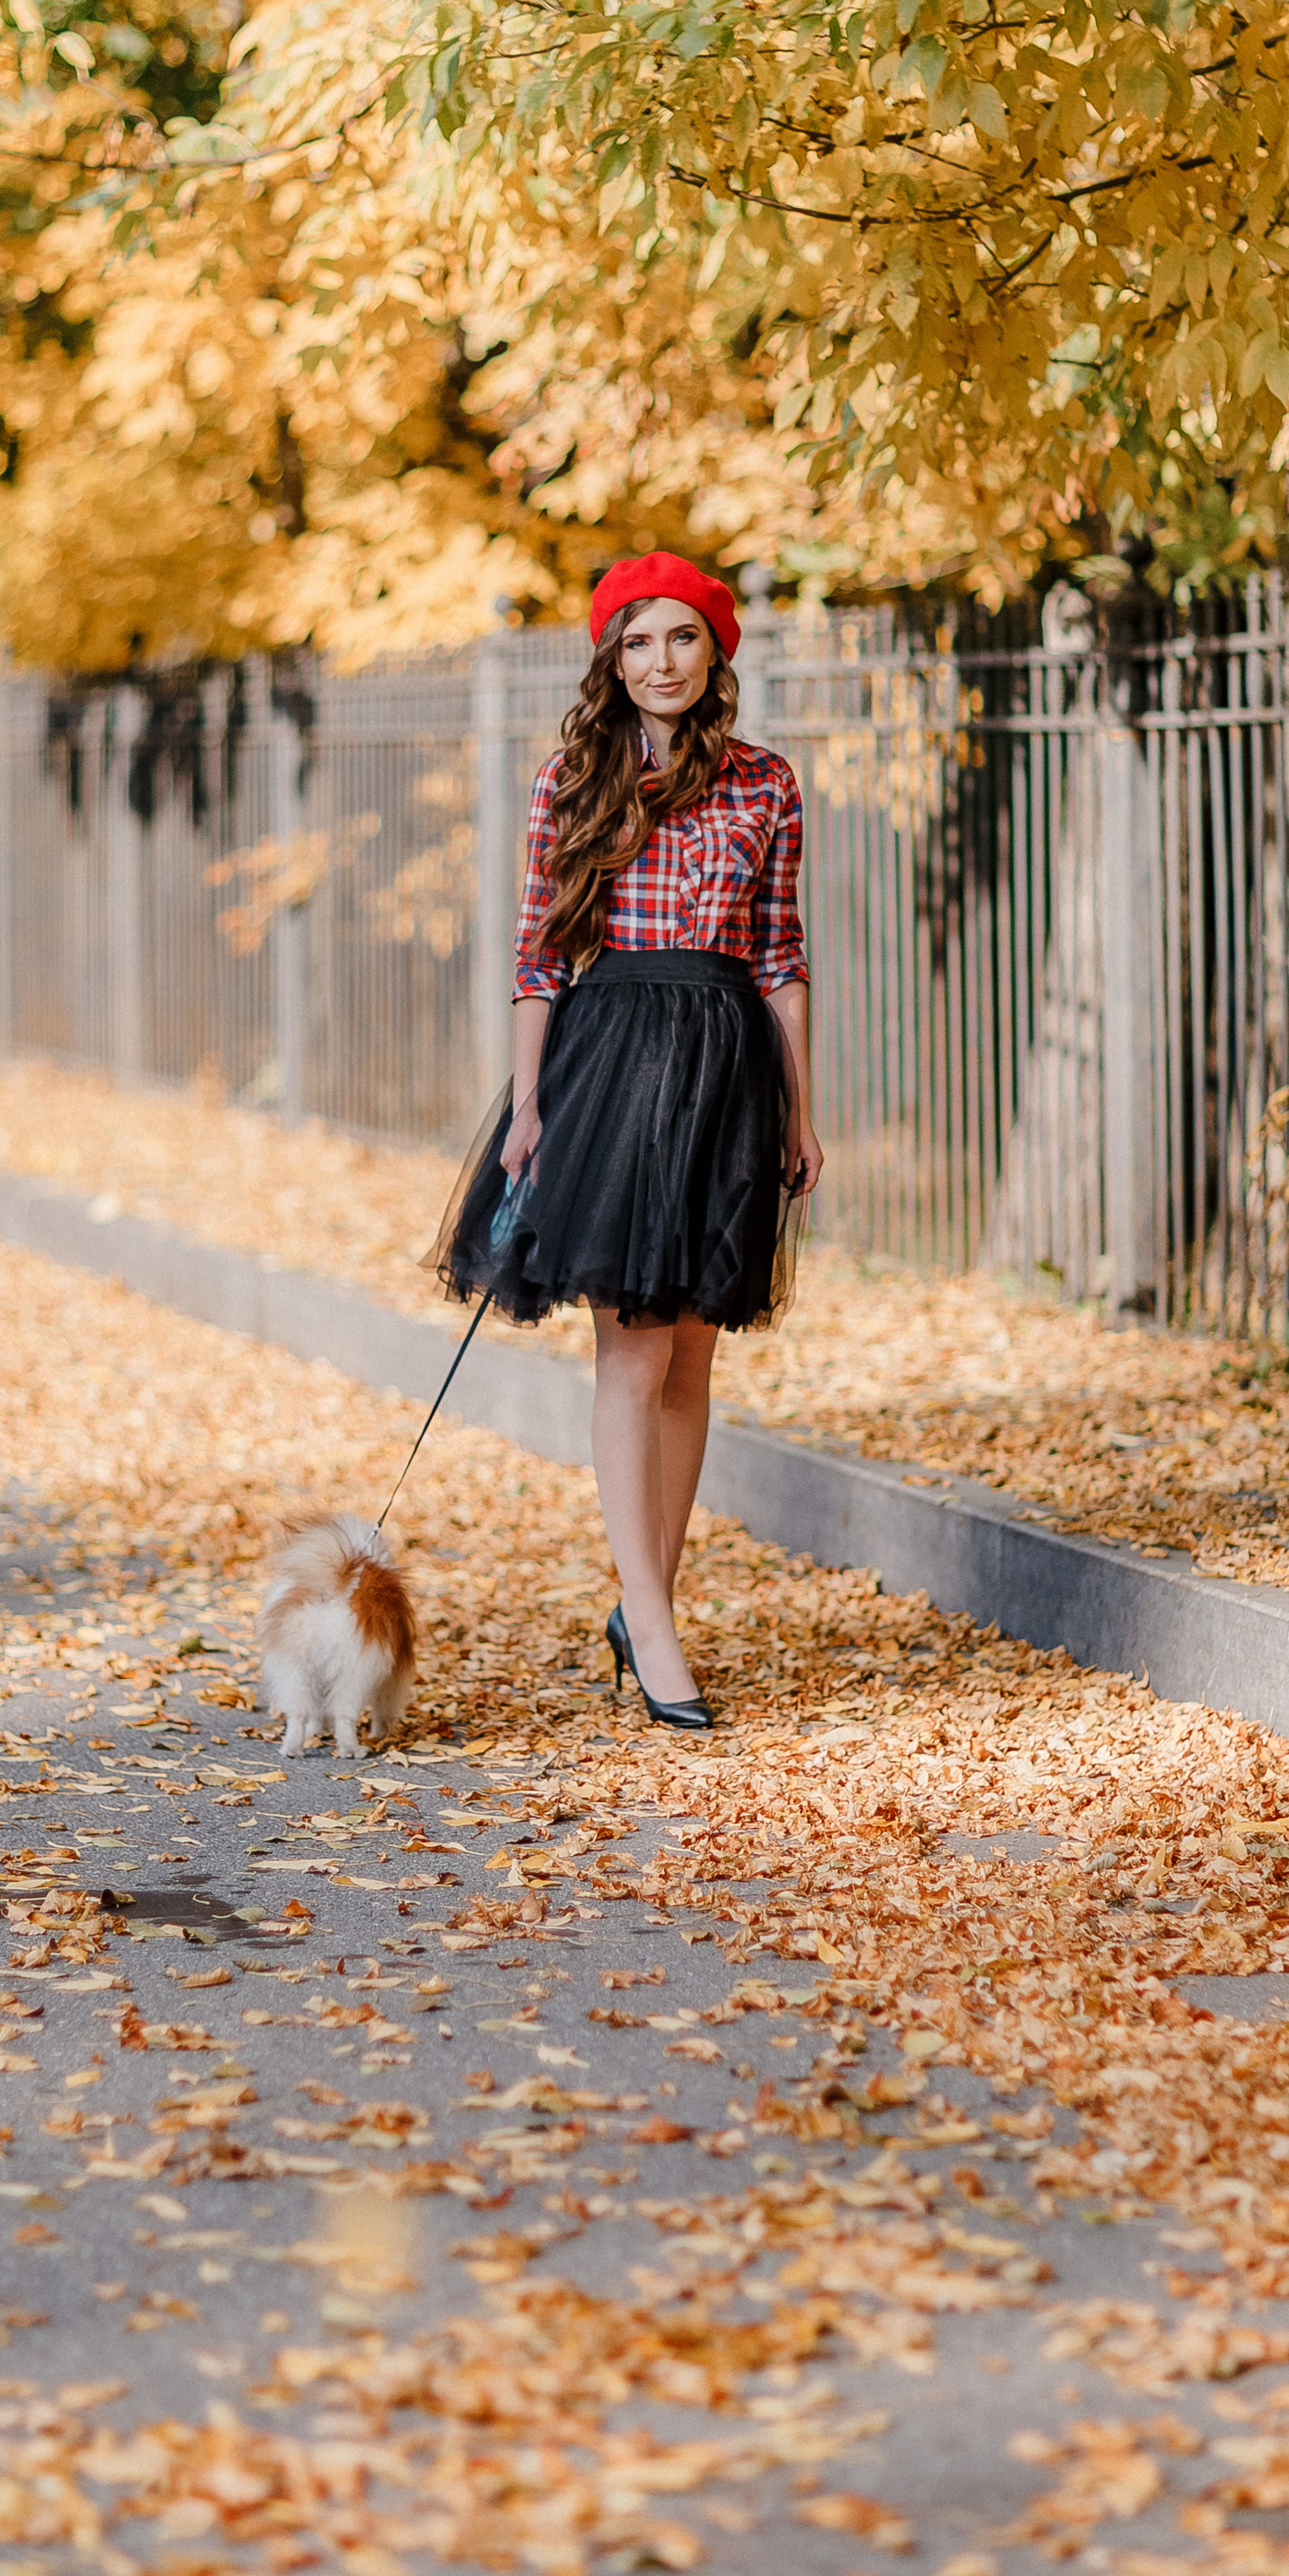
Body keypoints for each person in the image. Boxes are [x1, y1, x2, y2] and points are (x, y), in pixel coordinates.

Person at [431, 553, 821, 1730]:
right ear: (613, 658)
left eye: (683, 640)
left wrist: (803, 1111)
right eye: (639, 642)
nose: (662, 663)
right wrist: (530, 1104)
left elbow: (782, 960)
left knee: (696, 1349)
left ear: (716, 654)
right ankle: (651, 1624)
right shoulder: (573, 779)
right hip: (609, 1065)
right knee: (634, 1353)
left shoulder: (767, 785)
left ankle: (649, 1597)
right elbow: (539, 958)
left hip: (726, 1065)